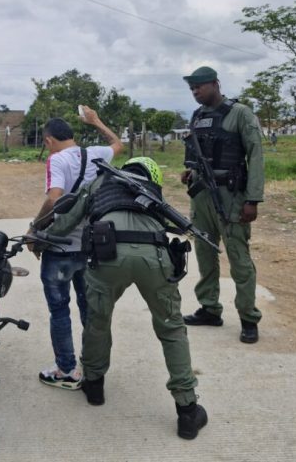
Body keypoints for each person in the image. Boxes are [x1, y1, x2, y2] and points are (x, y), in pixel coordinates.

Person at [44, 157, 208, 439]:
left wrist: (42, 234)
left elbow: (66, 221)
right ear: (152, 176)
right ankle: (187, 412)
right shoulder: (153, 191)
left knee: (98, 321)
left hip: (108, 256)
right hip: (155, 257)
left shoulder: (98, 182)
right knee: (171, 330)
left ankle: (94, 386)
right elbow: (174, 224)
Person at [28, 107, 123, 390]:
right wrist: (96, 121)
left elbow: (54, 198)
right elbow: (118, 144)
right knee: (88, 308)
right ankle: (91, 367)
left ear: (48, 140)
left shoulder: (56, 159)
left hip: (60, 249)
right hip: (90, 244)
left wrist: (35, 228)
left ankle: (66, 370)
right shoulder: (96, 153)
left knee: (59, 311)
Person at [179, 66, 264, 344]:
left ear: (215, 84)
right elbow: (196, 155)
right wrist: (189, 173)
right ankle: (209, 309)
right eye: (192, 89)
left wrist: (252, 199)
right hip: (201, 195)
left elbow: (256, 156)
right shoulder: (198, 116)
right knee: (204, 254)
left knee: (239, 259)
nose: (195, 92)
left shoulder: (240, 113)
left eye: (199, 87)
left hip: (231, 196)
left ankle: (248, 317)